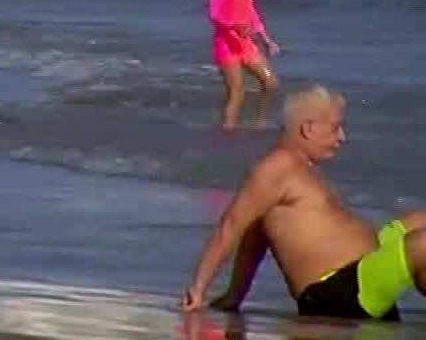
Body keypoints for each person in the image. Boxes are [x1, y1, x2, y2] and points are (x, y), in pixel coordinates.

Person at [182, 86, 426, 321]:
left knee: (419, 221)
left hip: (360, 276)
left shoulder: (300, 170)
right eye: (335, 128)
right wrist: (198, 289)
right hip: (336, 295)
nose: (342, 137)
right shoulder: (277, 167)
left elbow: (255, 235)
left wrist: (236, 294)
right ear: (309, 128)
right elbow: (233, 225)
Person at [209, 0, 281, 131]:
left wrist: (266, 39)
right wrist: (233, 25)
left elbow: (250, 10)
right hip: (226, 44)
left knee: (270, 83)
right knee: (236, 92)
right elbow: (214, 13)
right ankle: (227, 131)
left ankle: (260, 121)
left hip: (245, 42)